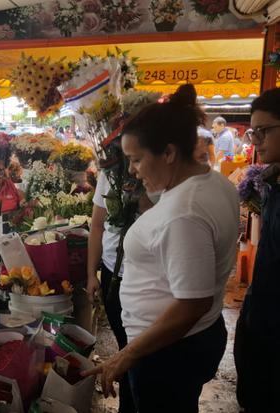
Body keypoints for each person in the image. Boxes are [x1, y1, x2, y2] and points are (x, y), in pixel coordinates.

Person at [83, 85, 239, 413]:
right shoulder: (214, 184)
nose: (132, 170)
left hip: (168, 352)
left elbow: (191, 304)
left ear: (168, 153)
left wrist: (126, 355)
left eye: (136, 159)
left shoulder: (185, 212)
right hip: (184, 342)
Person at [86, 170, 154, 413]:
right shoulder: (109, 172)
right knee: (126, 345)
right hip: (112, 274)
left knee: (136, 350)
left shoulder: (157, 174)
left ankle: (131, 403)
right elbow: (96, 226)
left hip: (146, 276)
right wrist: (91, 274)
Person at [234, 87, 280, 413]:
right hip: (261, 317)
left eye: (264, 131)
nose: (255, 141)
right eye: (254, 132)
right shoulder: (272, 184)